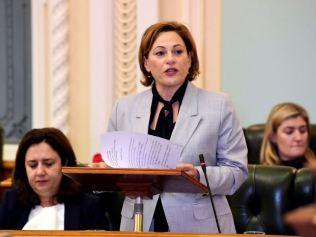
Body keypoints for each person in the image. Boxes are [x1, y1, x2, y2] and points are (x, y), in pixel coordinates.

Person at [103, 21, 248, 233]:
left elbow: (237, 172)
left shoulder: (218, 106)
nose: (170, 59)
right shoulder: (123, 108)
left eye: (178, 51)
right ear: (146, 63)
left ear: (189, 59)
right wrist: (106, 169)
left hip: (199, 226)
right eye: (160, 53)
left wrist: (197, 176)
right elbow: (115, 168)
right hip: (139, 222)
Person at [0, 127, 109, 230]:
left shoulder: (89, 206)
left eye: (48, 163)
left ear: (65, 163)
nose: (40, 172)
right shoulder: (11, 202)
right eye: (32, 165)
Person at [260, 102, 315, 168]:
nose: (298, 138)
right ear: (273, 137)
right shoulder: (260, 174)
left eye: (303, 131)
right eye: (289, 132)